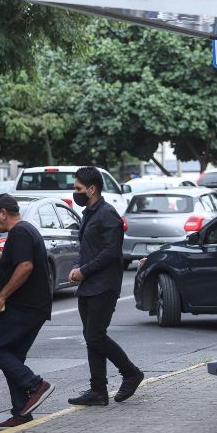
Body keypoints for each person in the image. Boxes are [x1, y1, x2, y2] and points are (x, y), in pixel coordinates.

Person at [0, 193, 55, 430]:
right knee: (13, 358)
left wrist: (1, 296)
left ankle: (36, 385)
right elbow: (9, 261)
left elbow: (25, 266)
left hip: (24, 307)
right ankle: (21, 413)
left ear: (4, 212)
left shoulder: (20, 232)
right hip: (32, 307)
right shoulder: (23, 232)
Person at [67, 167, 144, 406]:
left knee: (96, 336)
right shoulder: (88, 213)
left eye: (78, 188)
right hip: (88, 285)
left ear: (92, 189)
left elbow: (111, 252)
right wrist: (78, 266)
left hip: (104, 286)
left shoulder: (108, 214)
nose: (75, 192)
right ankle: (98, 391)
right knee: (91, 338)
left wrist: (84, 270)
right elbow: (87, 248)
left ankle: (131, 373)